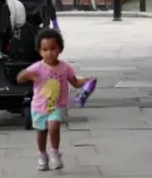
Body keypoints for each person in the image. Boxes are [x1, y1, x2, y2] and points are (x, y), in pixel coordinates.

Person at [16, 29, 95, 171]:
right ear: (39, 51)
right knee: (41, 132)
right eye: (45, 49)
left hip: (57, 105)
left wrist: (87, 81)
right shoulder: (38, 67)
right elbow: (20, 78)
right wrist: (29, 75)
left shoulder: (65, 68)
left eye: (53, 48)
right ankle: (42, 155)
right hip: (40, 106)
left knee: (54, 127)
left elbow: (75, 82)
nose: (49, 53)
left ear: (60, 49)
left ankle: (54, 153)